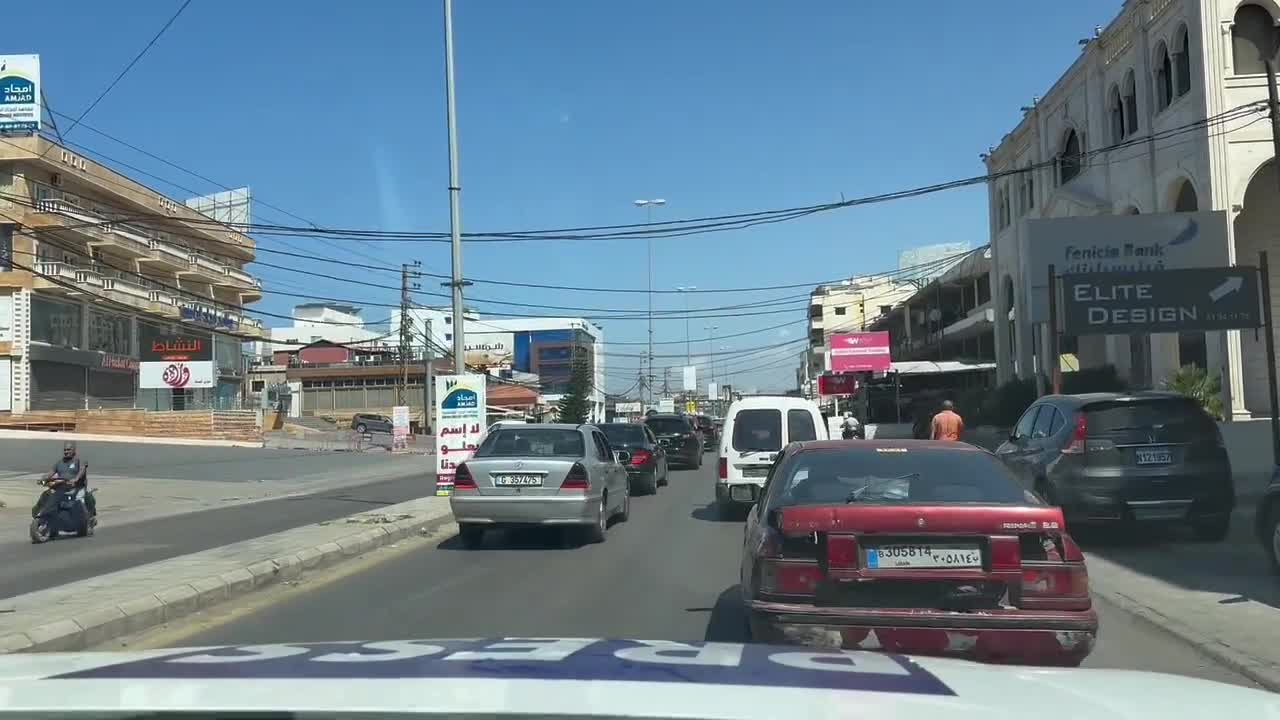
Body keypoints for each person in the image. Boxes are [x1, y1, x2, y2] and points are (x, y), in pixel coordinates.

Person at [43, 441, 95, 519]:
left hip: (77, 487)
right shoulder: (59, 463)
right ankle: (41, 515)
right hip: (61, 488)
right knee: (46, 495)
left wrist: (76, 478)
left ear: (74, 450)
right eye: (65, 450)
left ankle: (87, 518)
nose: (66, 452)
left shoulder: (79, 460)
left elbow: (82, 470)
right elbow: (50, 473)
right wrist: (44, 478)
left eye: (68, 450)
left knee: (82, 499)